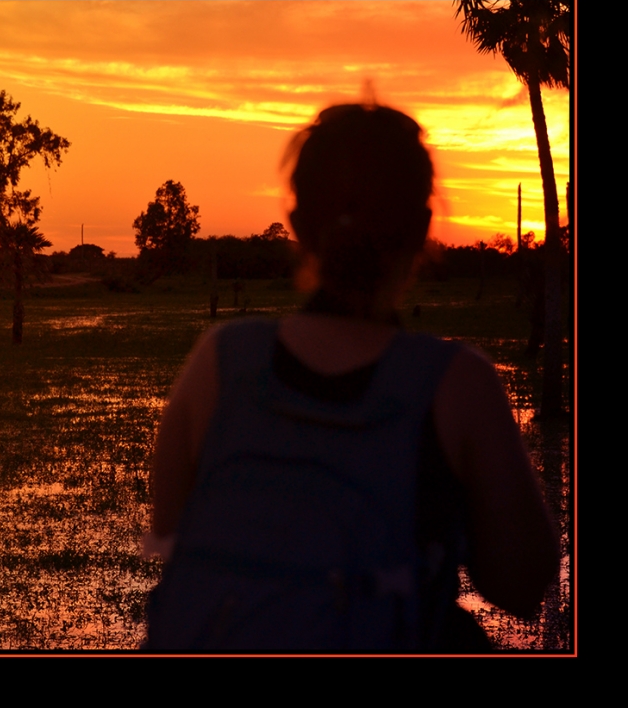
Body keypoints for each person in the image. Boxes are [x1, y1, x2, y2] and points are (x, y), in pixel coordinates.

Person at [142, 103, 559, 651]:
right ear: (421, 230)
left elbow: (172, 534)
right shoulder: (457, 384)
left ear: (297, 225)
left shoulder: (220, 362)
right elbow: (524, 585)